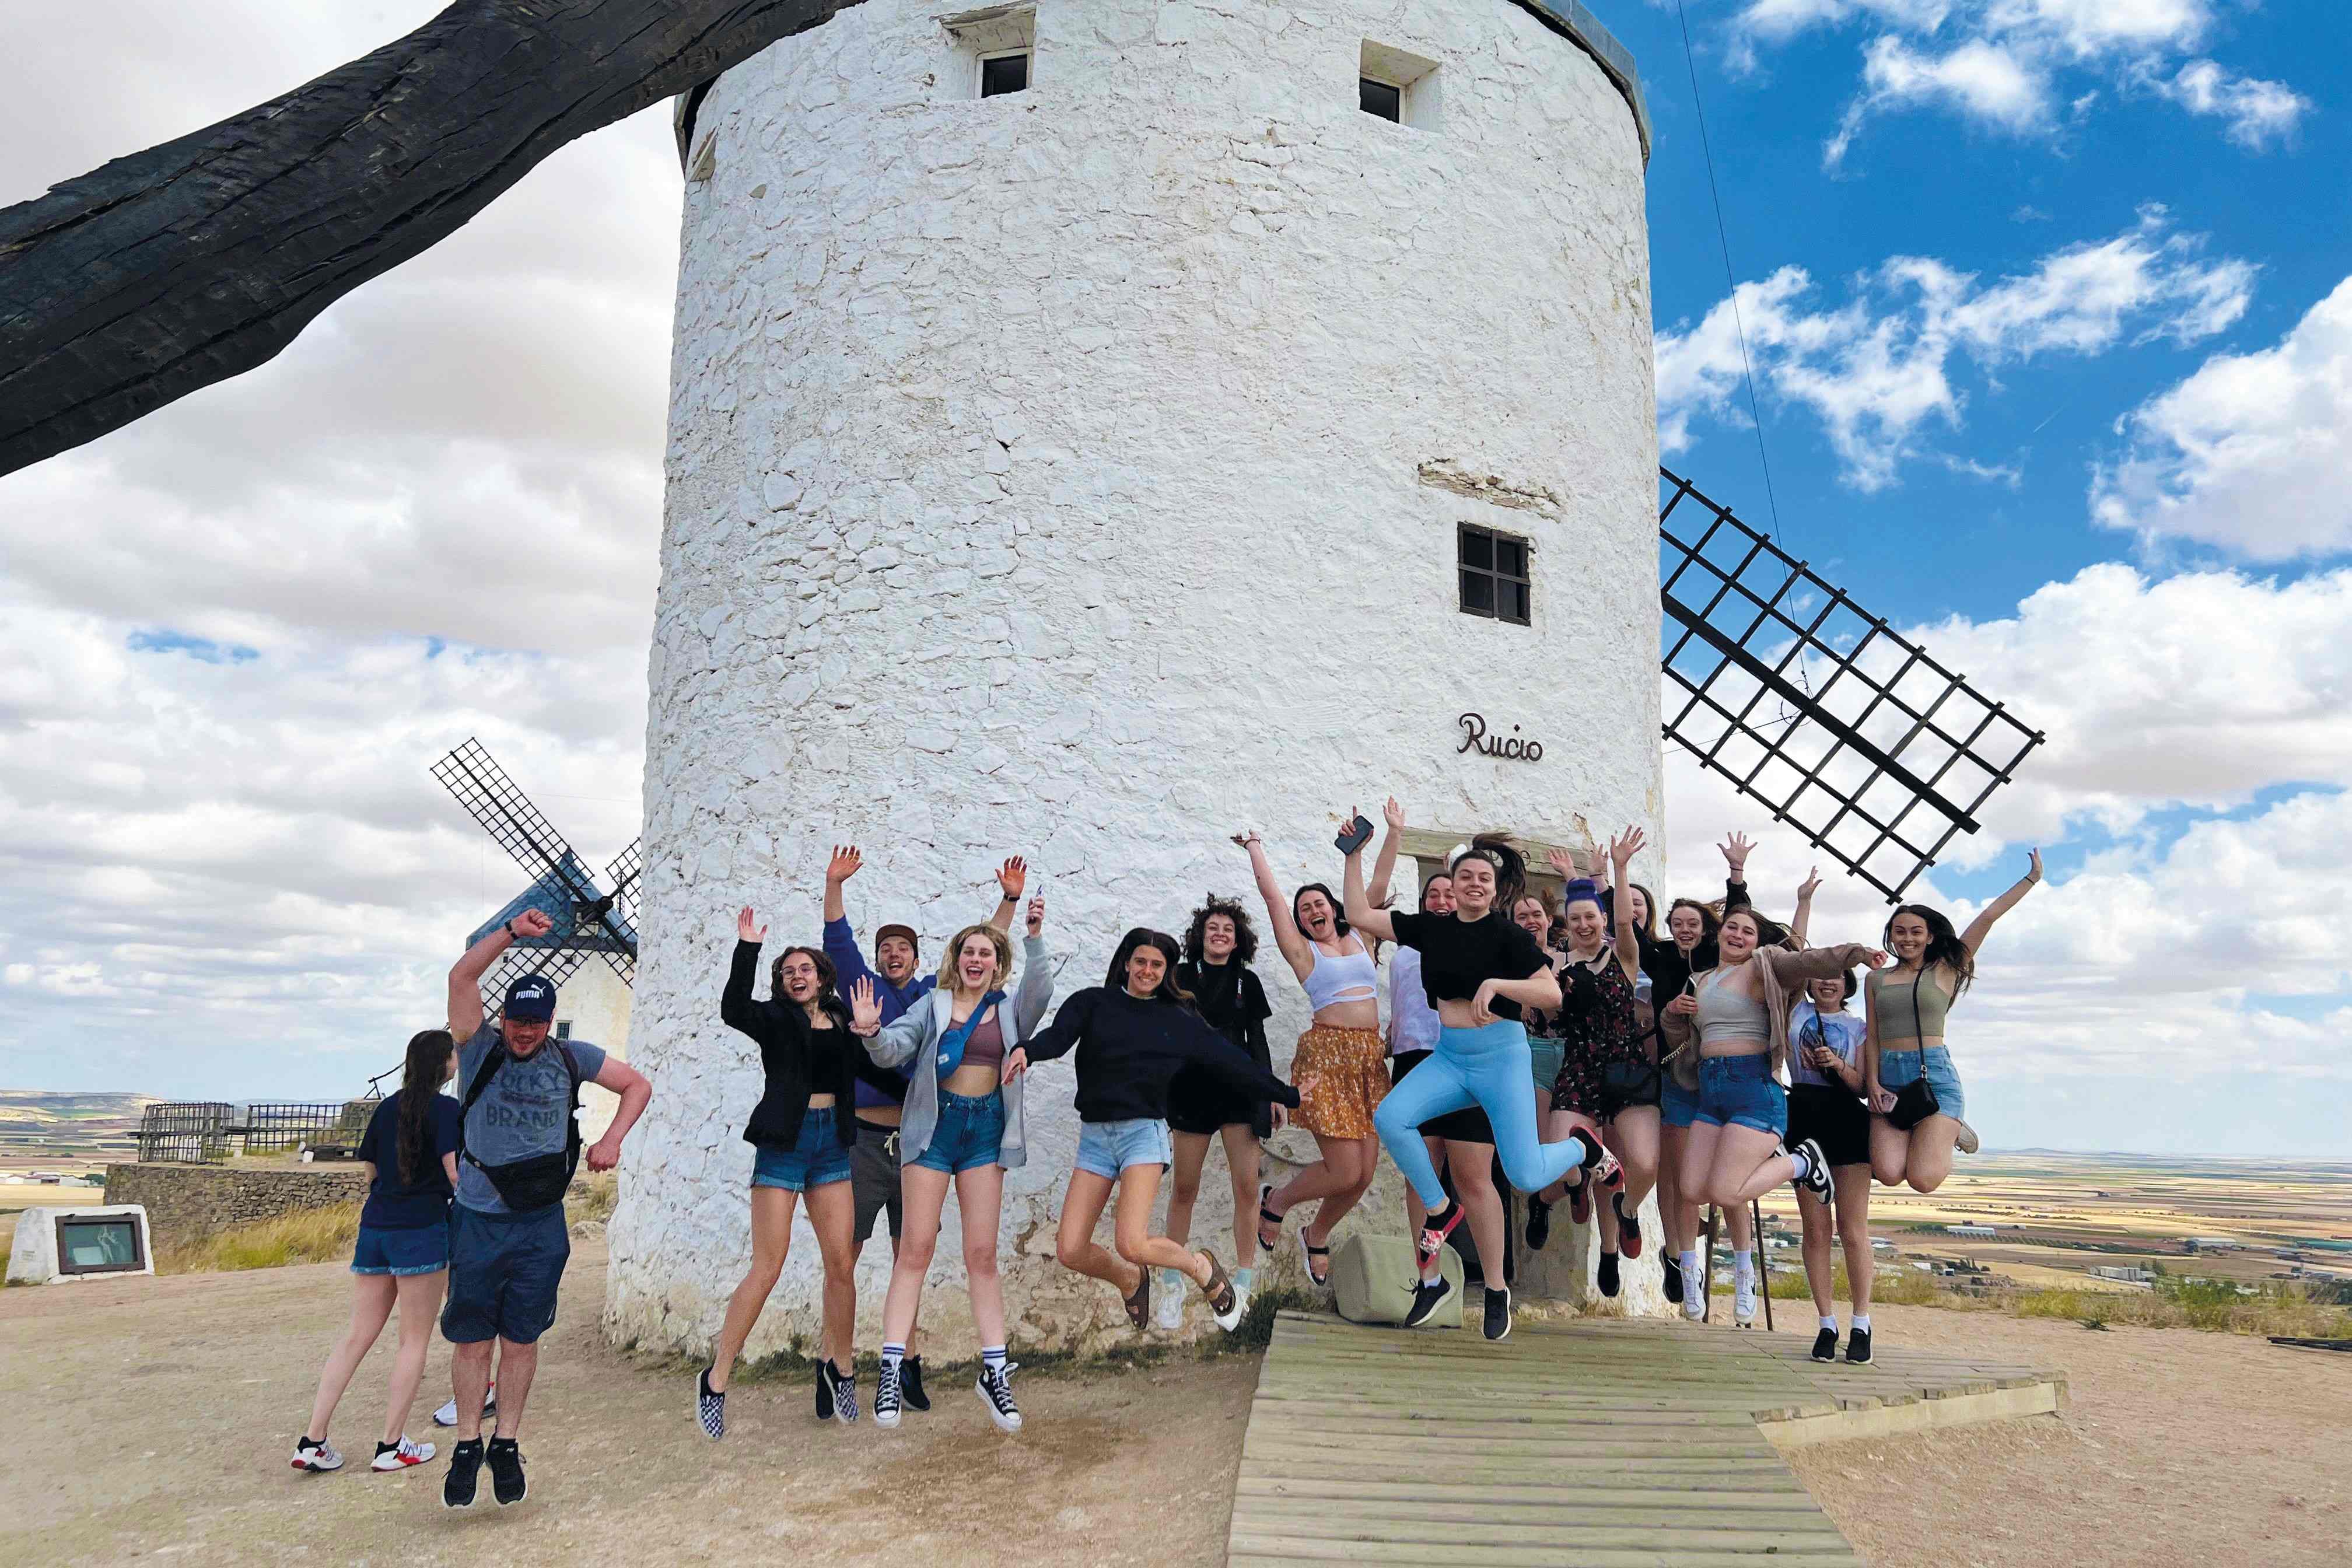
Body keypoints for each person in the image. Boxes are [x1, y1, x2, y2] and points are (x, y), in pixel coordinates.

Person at [1349, 807, 1605, 1339]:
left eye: (1483, 879)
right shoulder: (1431, 929)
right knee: (1392, 1117)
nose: (1472, 884)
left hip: (1501, 1058)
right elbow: (1358, 912)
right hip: (1449, 1056)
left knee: (1526, 1175)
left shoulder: (1508, 938)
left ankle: (1584, 1151)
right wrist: (1354, 856)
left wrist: (1498, 986)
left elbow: (1552, 993)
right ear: (1452, 881)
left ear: (1494, 891)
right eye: (1464, 875)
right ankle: (1441, 1214)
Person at [440, 910, 651, 1508]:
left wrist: (613, 1140)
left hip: (540, 1223)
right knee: (473, 1339)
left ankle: (505, 1444)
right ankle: (466, 1445)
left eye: (535, 1022)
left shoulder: (571, 1057)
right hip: (479, 1218)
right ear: (501, 1018)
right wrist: (509, 934)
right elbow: (460, 979)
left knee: (523, 1337)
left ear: (549, 1021)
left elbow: (637, 1085)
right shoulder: (479, 1048)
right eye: (517, 1020)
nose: (525, 1032)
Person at [1011, 929, 1301, 1334]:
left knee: (1133, 1243)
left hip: (1141, 1137)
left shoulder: (1178, 1020)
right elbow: (1057, 1039)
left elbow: (1236, 1064)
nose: (1147, 970)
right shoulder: (1093, 1003)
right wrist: (1027, 1050)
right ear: (1127, 962)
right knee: (1071, 1249)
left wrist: (1288, 1095)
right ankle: (1130, 1279)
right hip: (1095, 1138)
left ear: (1167, 972)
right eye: (1141, 961)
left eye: (1157, 965)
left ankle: (1201, 1268)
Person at [819, 845, 1023, 1416]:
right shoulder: (868, 988)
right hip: (881, 1140)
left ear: (917, 957)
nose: (892, 955)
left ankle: (909, 1371)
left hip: (952, 1132)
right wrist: (835, 885)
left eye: (901, 948)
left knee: (930, 1249)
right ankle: (837, 1366)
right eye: (885, 949)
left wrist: (1008, 902)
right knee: (863, 1254)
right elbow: (839, 943)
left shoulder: (935, 992)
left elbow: (983, 953)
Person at [849, 894, 1054, 1432]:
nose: (976, 959)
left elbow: (1042, 992)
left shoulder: (1008, 1008)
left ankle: (994, 1374)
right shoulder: (934, 1004)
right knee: (914, 1250)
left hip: (985, 1131)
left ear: (997, 962)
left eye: (986, 952)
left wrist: (1033, 936)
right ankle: (890, 1368)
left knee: (982, 1254)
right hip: (935, 1130)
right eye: (969, 951)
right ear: (956, 959)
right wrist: (871, 1032)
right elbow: (897, 1049)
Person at [697, 913, 884, 1441]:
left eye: (805, 969)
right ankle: (716, 1379)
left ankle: (841, 1369)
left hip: (831, 1147)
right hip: (784, 1145)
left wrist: (873, 1038)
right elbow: (732, 1008)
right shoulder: (774, 1019)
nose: (797, 976)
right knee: (768, 1265)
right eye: (787, 972)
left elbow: (873, 1073)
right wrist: (748, 949)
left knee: (842, 1262)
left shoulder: (844, 1020)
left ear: (823, 977)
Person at [1659, 907, 1882, 1328]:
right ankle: (1692, 1274)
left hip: (1754, 1091)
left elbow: (1807, 960)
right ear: (1719, 934)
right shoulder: (1701, 980)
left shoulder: (1765, 968)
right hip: (1710, 1090)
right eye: (1732, 928)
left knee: (1727, 1193)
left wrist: (1853, 953)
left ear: (1756, 940)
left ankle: (1801, 1161)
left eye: (1749, 931)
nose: (1739, 936)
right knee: (1688, 1189)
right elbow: (1683, 1041)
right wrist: (1673, 1014)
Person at [291, 1030, 461, 1475]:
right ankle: (391, 1445)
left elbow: (369, 1167)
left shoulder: (388, 1107)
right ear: (443, 1063)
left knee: (356, 1336)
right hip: (422, 1228)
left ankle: (313, 1439)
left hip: (376, 1227)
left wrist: (386, 1196)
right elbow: (454, 1171)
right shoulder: (446, 1109)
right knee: (414, 1341)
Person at [1241, 820, 1394, 1287]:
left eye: (1319, 903)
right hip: (1327, 1057)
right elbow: (1272, 901)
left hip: (1368, 1060)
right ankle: (1277, 1204)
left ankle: (1317, 1232)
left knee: (1363, 1175)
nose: (1312, 911)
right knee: (1344, 1169)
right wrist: (1254, 847)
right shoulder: (1303, 953)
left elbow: (1381, 884)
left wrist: (1394, 833)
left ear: (1334, 907)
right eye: (1305, 908)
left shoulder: (1362, 937)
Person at [1867, 851, 2042, 1195]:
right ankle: (1934, 1128)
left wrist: (2031, 879)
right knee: (1888, 1173)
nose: (1908, 938)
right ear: (1891, 935)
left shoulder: (1945, 969)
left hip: (1933, 1073)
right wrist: (1872, 1083)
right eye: (1899, 932)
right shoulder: (1876, 978)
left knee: (1923, 1180)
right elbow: (1873, 1036)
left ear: (1930, 937)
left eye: (1917, 932)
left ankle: (1948, 1126)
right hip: (1888, 1077)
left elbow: (1988, 917)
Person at [1528, 831, 1655, 1300]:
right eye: (1575, 918)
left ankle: (1620, 1226)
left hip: (1624, 1065)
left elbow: (1626, 917)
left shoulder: (1623, 955)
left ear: (1603, 919)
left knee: (1639, 1163)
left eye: (1591, 917)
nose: (1583, 924)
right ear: (1567, 922)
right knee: (1564, 1159)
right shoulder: (1557, 963)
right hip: (1578, 1064)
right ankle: (1549, 1200)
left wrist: (1618, 871)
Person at [1156, 894, 1282, 1329]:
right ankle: (1172, 1280)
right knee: (1184, 1189)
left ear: (1237, 939)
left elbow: (1258, 1044)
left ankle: (1243, 1281)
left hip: (1239, 1095)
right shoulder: (1179, 977)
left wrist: (1270, 1096)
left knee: (1247, 1187)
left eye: (1228, 929)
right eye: (1213, 928)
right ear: (1201, 935)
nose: (1220, 934)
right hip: (1191, 1093)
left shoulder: (1249, 983)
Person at [1385, 867, 1507, 1294]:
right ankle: (1429, 1278)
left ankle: (1496, 1285)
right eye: (1432, 894)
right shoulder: (1405, 945)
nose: (1440, 900)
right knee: (1422, 1177)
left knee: (1473, 1176)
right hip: (1414, 1060)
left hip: (1467, 1060)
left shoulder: (1482, 940)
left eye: (1446, 894)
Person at [1788, 971, 1877, 1363]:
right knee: (1815, 1229)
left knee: (1853, 1229)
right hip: (1804, 1116)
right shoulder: (1794, 1012)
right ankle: (1826, 1323)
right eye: (1820, 975)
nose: (1827, 983)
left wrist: (1838, 1064)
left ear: (1847, 984)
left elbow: (1864, 1086)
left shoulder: (1858, 1027)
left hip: (1847, 1119)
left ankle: (1862, 1323)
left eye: (1837, 977)